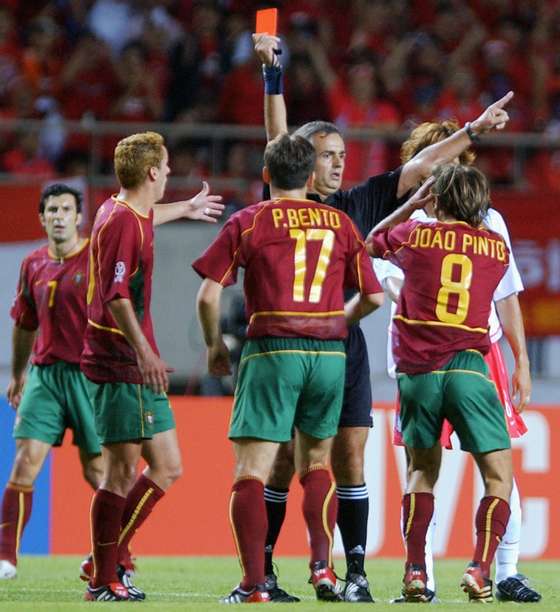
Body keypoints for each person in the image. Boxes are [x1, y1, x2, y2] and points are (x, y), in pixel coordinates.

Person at [252, 32, 514, 602]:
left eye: (343, 155)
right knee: (279, 464)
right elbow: (277, 136)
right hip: (289, 341)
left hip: (343, 346)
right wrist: (273, 77)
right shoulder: (286, 196)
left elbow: (420, 166)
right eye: (327, 155)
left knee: (350, 457)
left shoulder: (359, 203)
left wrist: (474, 129)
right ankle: (265, 571)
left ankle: (355, 574)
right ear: (303, 161)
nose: (339, 163)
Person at [193, 133, 384, 603]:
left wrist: (215, 346)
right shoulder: (340, 223)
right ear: (310, 176)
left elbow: (208, 294)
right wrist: (339, 320)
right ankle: (323, 570)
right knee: (318, 464)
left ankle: (254, 584)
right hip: (328, 355)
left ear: (266, 175)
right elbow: (375, 297)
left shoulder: (249, 220)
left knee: (251, 471)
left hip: (273, 348)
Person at [373, 120, 540, 604]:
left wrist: (521, 360)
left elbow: (375, 257)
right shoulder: (492, 237)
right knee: (498, 469)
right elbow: (502, 292)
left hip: (419, 362)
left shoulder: (409, 230)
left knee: (420, 471)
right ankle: (481, 568)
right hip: (471, 358)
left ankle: (425, 574)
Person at [80, 131, 223, 602]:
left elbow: (146, 217)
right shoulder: (123, 224)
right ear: (151, 172)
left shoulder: (119, 210)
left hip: (130, 362)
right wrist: (143, 351)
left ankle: (106, 556)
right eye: (164, 167)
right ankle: (104, 577)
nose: (167, 173)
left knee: (167, 466)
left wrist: (183, 209)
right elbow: (116, 297)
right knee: (119, 474)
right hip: (122, 363)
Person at [0, 184, 103, 580]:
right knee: (25, 462)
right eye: (51, 210)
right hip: (45, 375)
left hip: (89, 376)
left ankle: (113, 556)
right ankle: (6, 556)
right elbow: (25, 323)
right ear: (41, 219)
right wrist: (17, 373)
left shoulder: (95, 255)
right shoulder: (32, 264)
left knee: (97, 474)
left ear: (79, 217)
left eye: (66, 209)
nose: (59, 216)